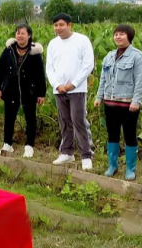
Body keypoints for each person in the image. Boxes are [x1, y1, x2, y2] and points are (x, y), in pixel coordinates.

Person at [95, 24, 142, 181]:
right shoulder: (109, 56)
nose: (118, 37)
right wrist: (99, 97)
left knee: (130, 135)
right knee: (112, 135)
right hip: (110, 103)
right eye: (116, 34)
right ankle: (112, 165)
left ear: (129, 37)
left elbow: (141, 81)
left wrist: (136, 101)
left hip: (128, 104)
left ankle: (130, 169)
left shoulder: (138, 57)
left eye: (122, 34)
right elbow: (103, 79)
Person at [46, 13, 95, 170]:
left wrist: (73, 84)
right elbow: (49, 67)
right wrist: (57, 84)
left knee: (78, 120)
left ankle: (86, 155)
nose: (58, 28)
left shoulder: (82, 40)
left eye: (61, 25)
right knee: (64, 121)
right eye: (55, 25)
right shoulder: (53, 44)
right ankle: (67, 152)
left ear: (69, 25)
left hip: (77, 90)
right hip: (59, 89)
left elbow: (88, 65)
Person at [0, 24, 46, 158]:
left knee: (30, 118)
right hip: (11, 89)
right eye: (17, 33)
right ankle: (7, 144)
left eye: (22, 33)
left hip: (29, 90)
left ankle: (29, 146)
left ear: (29, 35)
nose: (19, 36)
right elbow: (0, 69)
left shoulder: (35, 53)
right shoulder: (8, 50)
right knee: (9, 117)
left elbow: (40, 74)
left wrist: (41, 93)